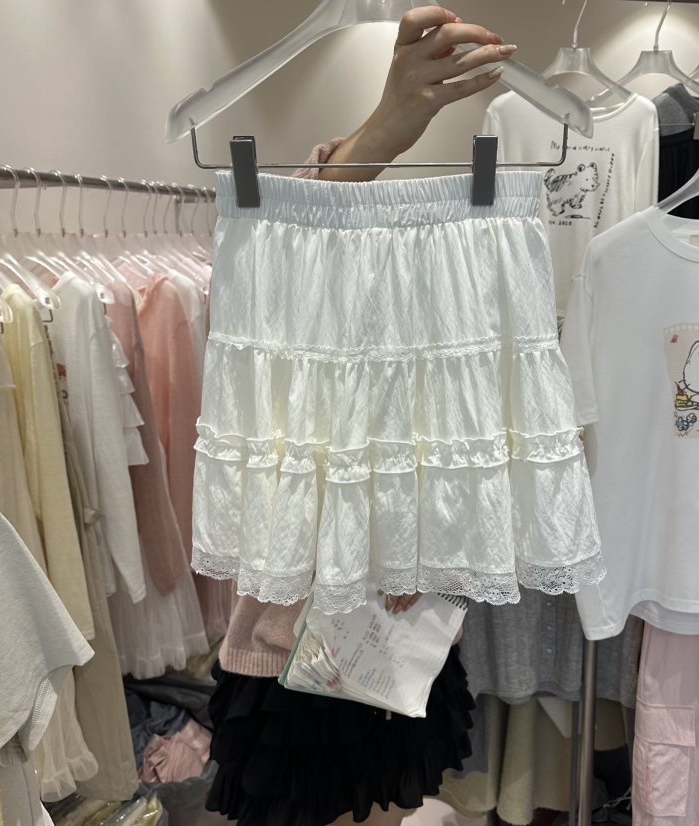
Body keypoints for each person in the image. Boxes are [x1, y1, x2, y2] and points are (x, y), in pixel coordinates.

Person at [205, 8, 519, 826]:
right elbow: (280, 270)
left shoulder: (471, 256)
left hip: (399, 630)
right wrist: (384, 129)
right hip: (297, 629)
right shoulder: (282, 251)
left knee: (384, 803)